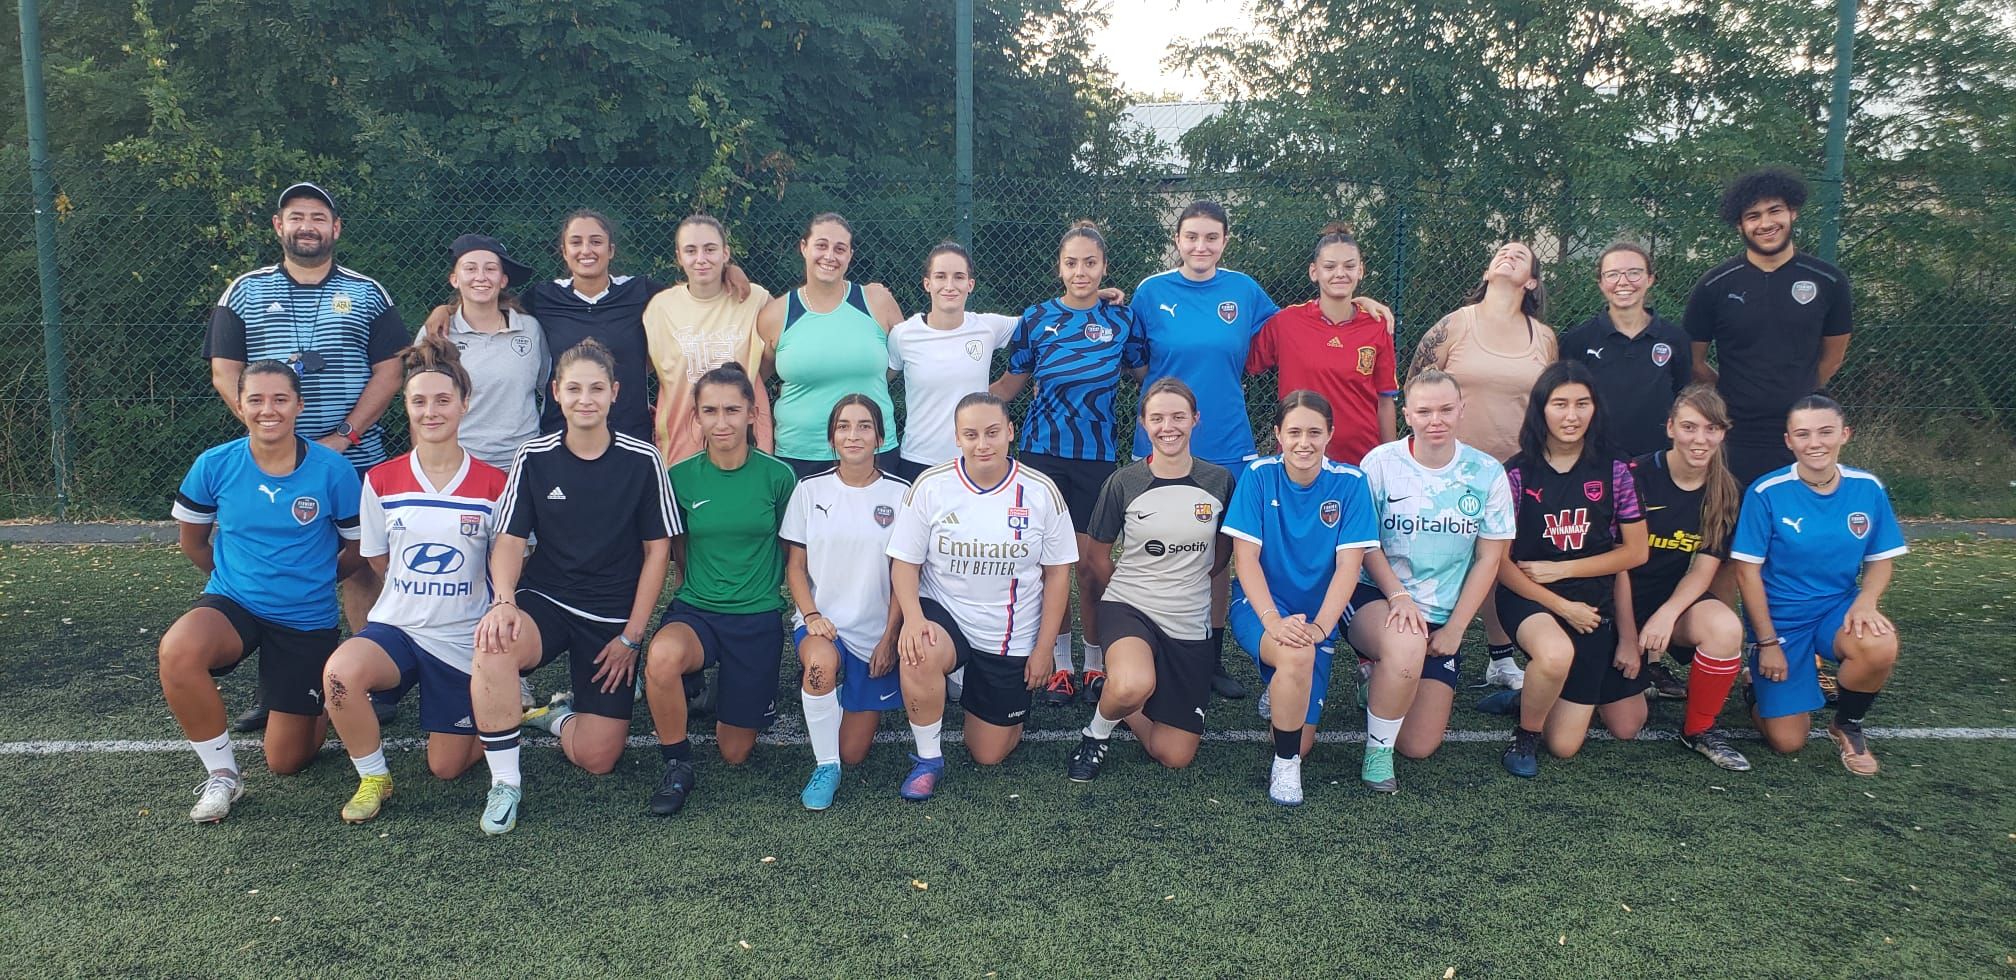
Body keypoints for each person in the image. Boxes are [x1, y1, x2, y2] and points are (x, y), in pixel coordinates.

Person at [1134, 204, 1394, 702]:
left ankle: (1208, 661)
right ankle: (1155, 651)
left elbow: (1318, 319)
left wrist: (1362, 302)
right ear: (1177, 239)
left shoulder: (1246, 292)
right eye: (1192, 236)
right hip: (1163, 440)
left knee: (1220, 556)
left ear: (1225, 241)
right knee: (1159, 549)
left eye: (1212, 237)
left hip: (1227, 444)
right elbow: (1131, 357)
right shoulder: (1150, 292)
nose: (1201, 246)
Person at [206, 182, 403, 729]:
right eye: (297, 217)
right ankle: (281, 690)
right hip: (272, 459)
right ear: (279, 226)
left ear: (335, 229)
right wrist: (269, 432)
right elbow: (225, 371)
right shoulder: (243, 291)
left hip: (354, 454)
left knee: (363, 564)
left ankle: (369, 682)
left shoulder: (368, 293)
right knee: (276, 565)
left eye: (319, 217)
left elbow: (390, 371)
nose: (307, 226)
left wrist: (344, 435)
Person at [469, 339, 677, 835]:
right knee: (493, 642)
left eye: (597, 388)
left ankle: (558, 717)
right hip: (546, 601)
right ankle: (505, 785)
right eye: (575, 388)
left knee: (598, 757)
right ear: (556, 393)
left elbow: (658, 554)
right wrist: (502, 602)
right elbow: (509, 539)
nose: (586, 398)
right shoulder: (534, 456)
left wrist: (632, 638)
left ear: (615, 393)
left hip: (609, 619)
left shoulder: (643, 459)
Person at [160, 359, 362, 822]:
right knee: (178, 649)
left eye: (279, 399)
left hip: (305, 616)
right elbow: (193, 541)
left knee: (287, 762)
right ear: (239, 404)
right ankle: (223, 776)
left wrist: (314, 579)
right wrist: (234, 579)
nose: (267, 410)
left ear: (299, 406)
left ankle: (319, 706)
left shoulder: (333, 470)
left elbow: (357, 551)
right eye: (255, 399)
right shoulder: (215, 464)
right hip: (234, 601)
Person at [321, 336, 510, 823]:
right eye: (419, 401)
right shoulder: (380, 480)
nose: (432, 412)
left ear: (465, 405)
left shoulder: (495, 483)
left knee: (446, 768)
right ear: (405, 407)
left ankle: (501, 713)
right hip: (398, 629)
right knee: (340, 675)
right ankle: (373, 776)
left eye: (443, 400)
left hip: (462, 639)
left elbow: (504, 562)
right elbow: (380, 561)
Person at [887, 393, 1077, 801]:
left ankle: (974, 689)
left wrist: (1046, 649)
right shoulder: (932, 485)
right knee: (919, 649)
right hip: (946, 615)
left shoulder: (1041, 491)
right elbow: (904, 562)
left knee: (989, 754)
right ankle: (928, 759)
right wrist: (915, 619)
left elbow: (1059, 574)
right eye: (971, 435)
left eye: (992, 432)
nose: (982, 444)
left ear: (1010, 432)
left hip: (1008, 634)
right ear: (956, 438)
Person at [991, 220, 1147, 707]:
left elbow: (1148, 377)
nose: (1081, 271)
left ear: (1104, 267)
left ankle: (1096, 660)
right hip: (1041, 455)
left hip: (1097, 457)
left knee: (1093, 566)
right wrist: (955, 413)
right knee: (1047, 563)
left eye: (1090, 263)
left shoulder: (1123, 320)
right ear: (1059, 266)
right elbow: (1010, 385)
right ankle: (1060, 665)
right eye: (1072, 262)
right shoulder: (1036, 318)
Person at [640, 363, 797, 816]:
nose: (721, 422)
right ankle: (677, 763)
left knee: (734, 752)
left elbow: (792, 553)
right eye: (710, 411)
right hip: (699, 611)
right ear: (696, 418)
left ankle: (714, 688)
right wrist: (689, 582)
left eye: (732, 409)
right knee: (663, 657)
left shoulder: (778, 477)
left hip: (757, 615)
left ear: (752, 414)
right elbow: (679, 546)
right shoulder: (679, 477)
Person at [1345, 370, 1514, 785]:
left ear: (1461, 409)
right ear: (1407, 414)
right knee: (1405, 644)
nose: (1435, 420)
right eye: (1423, 411)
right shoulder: (1381, 463)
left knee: (1419, 745)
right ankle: (1377, 757)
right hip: (1377, 597)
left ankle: (1380, 682)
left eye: (1444, 409)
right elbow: (1366, 545)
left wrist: (1456, 628)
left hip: (1441, 615)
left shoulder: (1487, 472)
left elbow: (1489, 559)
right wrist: (1399, 595)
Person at [1409, 240, 1559, 692]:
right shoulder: (1455, 324)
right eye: (1501, 250)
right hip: (1448, 470)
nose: (1508, 254)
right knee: (1433, 556)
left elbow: (1549, 405)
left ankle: (1499, 655)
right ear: (1487, 270)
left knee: (1498, 561)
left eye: (1521, 254)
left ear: (1531, 280)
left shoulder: (1544, 338)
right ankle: (1408, 646)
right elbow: (1416, 386)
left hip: (1515, 470)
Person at [1731, 395, 1904, 776]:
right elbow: (1746, 573)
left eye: (1826, 432)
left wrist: (1866, 602)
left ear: (1845, 434)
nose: (1815, 443)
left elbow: (1880, 558)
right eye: (1803, 434)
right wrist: (1767, 643)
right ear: (1789, 441)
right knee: (1788, 741)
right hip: (1781, 622)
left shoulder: (1867, 488)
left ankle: (1847, 723)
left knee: (1879, 642)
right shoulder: (1766, 492)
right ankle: (1754, 684)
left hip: (1835, 610)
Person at [1492, 361, 1649, 778]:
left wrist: (1563, 572)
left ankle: (1530, 694)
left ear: (1595, 409)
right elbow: (1500, 565)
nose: (1572, 415)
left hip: (1592, 606)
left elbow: (1636, 552)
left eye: (1582, 403)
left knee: (1564, 745)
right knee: (1555, 652)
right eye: (1560, 404)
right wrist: (1560, 604)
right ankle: (1524, 733)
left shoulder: (1617, 469)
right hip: (1529, 597)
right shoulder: (1517, 473)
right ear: (1541, 410)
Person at [1070, 378, 1232, 780]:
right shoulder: (1124, 482)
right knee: (1131, 683)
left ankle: (1130, 711)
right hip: (1131, 607)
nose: (1168, 426)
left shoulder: (1220, 482)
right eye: (1157, 418)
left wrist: (1186, 579)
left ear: (1195, 419)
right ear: (1143, 424)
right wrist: (1129, 593)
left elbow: (1224, 552)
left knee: (1174, 754)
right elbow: (1097, 556)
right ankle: (1096, 733)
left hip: (1189, 621)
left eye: (1178, 416)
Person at [1224, 391, 1380, 805]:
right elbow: (1246, 560)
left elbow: (1349, 567)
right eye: (1293, 432)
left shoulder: (1351, 483)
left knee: (1301, 676)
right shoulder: (1258, 475)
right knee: (1294, 657)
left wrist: (1320, 627)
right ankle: (1286, 765)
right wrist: (1274, 622)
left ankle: (1282, 688)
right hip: (1260, 606)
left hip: (1316, 616)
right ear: (1277, 434)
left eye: (1314, 432)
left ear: (1331, 433)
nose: (1303, 442)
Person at [1685, 167, 1853, 489]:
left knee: (1799, 529)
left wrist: (1798, 388)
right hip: (1737, 429)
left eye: (1775, 211)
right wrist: (1733, 390)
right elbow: (1693, 359)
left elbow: (1834, 355)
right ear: (1740, 224)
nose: (1765, 223)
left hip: (1803, 428)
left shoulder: (1829, 281)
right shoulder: (1714, 285)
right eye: (1753, 216)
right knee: (1736, 528)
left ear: (1793, 212)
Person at [781, 395, 910, 809]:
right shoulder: (809, 490)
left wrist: (890, 638)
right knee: (819, 665)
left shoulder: (902, 494)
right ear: (832, 438)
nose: (853, 435)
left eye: (864, 426)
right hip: (822, 623)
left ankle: (832, 708)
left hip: (874, 633)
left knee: (854, 751)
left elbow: (903, 576)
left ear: (881, 436)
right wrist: (812, 615)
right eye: (843, 427)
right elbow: (796, 568)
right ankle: (824, 767)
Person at [1620, 385, 1752, 772]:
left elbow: (1704, 569)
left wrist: (1666, 614)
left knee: (1725, 628)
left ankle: (1699, 730)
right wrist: (1629, 636)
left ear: (1723, 433)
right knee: (1625, 723)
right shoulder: (1635, 476)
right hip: (1615, 601)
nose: (1700, 439)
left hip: (1671, 605)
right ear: (1670, 428)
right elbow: (1616, 564)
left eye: (1711, 429)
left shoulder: (1726, 490)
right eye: (1690, 427)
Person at [758, 212, 903, 478]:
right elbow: (756, 380)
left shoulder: (877, 302)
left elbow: (900, 361)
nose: (829, 256)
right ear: (804, 248)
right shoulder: (775, 314)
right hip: (799, 454)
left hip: (873, 451)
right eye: (821, 245)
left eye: (840, 249)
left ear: (850, 255)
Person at [1248, 222, 1399, 466]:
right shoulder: (1286, 323)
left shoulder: (1377, 324)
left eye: (1349, 266)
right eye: (1330, 266)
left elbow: (1385, 400)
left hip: (1361, 461)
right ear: (1313, 271)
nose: (1340, 273)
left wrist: (1391, 458)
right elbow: (1242, 358)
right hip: (1301, 460)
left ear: (1361, 270)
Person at [644, 214, 776, 465]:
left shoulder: (755, 299)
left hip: (746, 447)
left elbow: (776, 355)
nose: (701, 259)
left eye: (710, 249)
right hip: (681, 450)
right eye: (691, 250)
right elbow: (645, 367)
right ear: (679, 257)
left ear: (726, 253)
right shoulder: (660, 308)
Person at [884, 242, 1019, 483]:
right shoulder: (903, 335)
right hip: (918, 461)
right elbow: (878, 382)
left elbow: (1042, 322)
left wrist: (1087, 300)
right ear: (927, 284)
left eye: (958, 277)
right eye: (940, 276)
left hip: (974, 460)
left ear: (970, 284)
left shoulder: (988, 327)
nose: (949, 285)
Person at [1560, 241, 1691, 458]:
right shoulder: (1577, 341)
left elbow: (1682, 398)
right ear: (1601, 282)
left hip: (1658, 460)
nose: (1623, 282)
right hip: (1595, 460)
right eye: (1612, 274)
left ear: (1650, 279)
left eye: (1634, 273)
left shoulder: (1674, 339)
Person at [433, 233, 547, 471]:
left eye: (491, 269)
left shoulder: (530, 329)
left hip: (522, 464)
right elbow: (421, 405)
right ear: (454, 279)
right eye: (470, 268)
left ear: (503, 279)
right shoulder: (437, 332)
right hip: (458, 463)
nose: (481, 277)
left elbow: (550, 389)